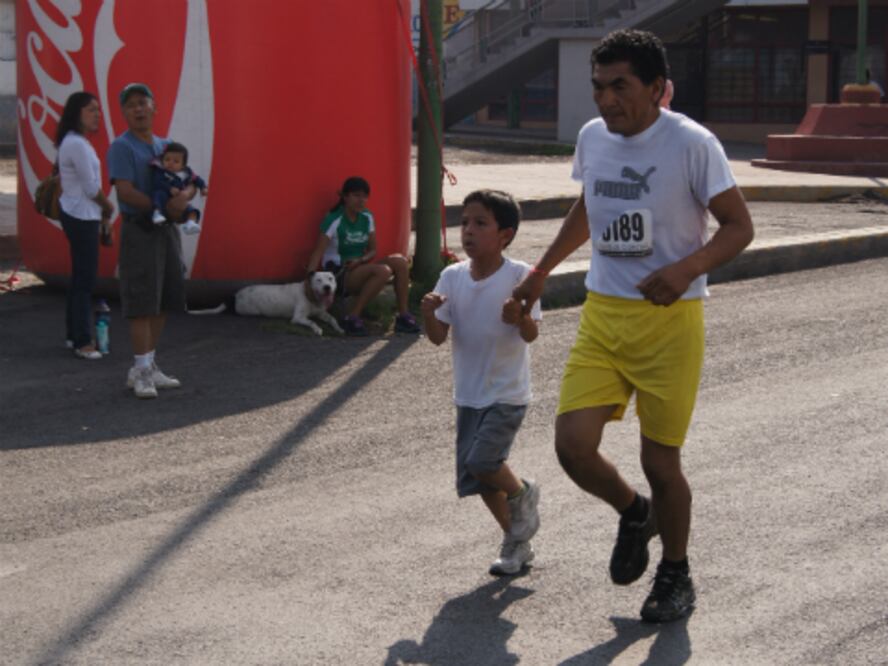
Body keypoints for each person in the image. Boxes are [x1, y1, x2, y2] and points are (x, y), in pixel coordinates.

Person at [511, 29, 754, 622]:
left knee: (660, 464)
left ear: (656, 87)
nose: (606, 100)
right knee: (572, 447)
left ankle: (676, 573)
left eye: (619, 86)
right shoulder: (593, 138)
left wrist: (686, 269)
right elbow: (591, 206)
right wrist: (542, 269)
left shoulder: (692, 143)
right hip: (603, 315)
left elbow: (739, 226)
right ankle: (635, 513)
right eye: (598, 87)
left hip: (671, 322)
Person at [422, 189, 542, 576]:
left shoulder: (519, 276)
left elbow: (531, 334)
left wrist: (519, 317)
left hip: (506, 392)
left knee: (483, 462)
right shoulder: (452, 276)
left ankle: (523, 492)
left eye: (480, 223)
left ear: (505, 235)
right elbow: (437, 337)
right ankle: (516, 542)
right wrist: (428, 313)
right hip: (468, 394)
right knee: (480, 478)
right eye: (465, 222)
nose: (468, 231)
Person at [107, 82, 196, 399]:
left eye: (143, 103)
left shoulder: (166, 145)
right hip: (140, 228)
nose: (138, 109)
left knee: (163, 299)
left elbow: (190, 180)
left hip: (166, 229)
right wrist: (161, 207)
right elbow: (125, 191)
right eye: (131, 105)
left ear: (154, 107)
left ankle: (149, 364)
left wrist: (184, 197)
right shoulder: (122, 147)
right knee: (142, 302)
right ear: (124, 112)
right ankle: (140, 369)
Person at [305, 176, 421, 336]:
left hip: (360, 266)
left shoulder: (367, 216)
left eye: (365, 196)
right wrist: (309, 281)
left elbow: (373, 250)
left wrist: (360, 260)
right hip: (340, 273)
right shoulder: (334, 219)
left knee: (400, 261)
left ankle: (403, 316)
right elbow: (317, 252)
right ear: (345, 197)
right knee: (383, 271)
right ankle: (352, 317)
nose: (361, 200)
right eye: (356, 195)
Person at [56, 91, 115, 360]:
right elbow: (91, 187)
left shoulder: (75, 142)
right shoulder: (77, 144)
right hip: (81, 214)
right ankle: (82, 341)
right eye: (91, 109)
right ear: (76, 112)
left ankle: (73, 335)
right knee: (85, 279)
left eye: (98, 110)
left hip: (80, 212)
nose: (97, 115)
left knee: (79, 276)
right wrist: (107, 206)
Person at [150, 141, 208, 235]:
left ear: (183, 165)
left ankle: (191, 223)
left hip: (179, 199)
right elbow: (157, 182)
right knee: (158, 195)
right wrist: (169, 188)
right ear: (162, 159)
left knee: (191, 210)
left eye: (176, 161)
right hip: (164, 195)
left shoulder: (186, 172)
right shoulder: (161, 171)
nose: (170, 163)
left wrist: (203, 187)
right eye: (167, 159)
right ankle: (157, 214)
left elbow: (196, 179)